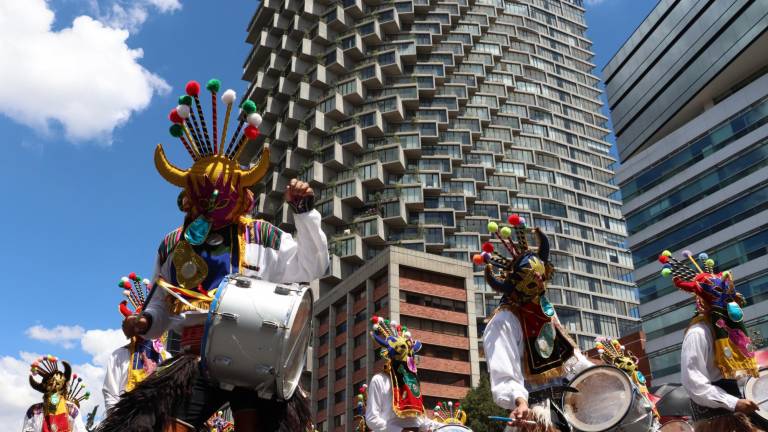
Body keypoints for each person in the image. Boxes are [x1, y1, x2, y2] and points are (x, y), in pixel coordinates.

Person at [98, 78, 329, 432]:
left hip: (257, 360)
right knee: (142, 425)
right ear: (191, 195)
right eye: (204, 195)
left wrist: (304, 213)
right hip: (193, 355)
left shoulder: (261, 235)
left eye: (221, 194)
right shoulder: (174, 243)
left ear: (238, 192)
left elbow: (312, 265)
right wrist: (145, 323)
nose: (213, 202)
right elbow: (162, 301)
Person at [477, 215, 592, 432]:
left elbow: (571, 361)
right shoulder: (503, 321)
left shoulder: (545, 312)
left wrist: (600, 376)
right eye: (532, 279)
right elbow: (504, 374)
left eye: (541, 276)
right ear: (518, 285)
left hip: (571, 409)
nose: (540, 283)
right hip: (534, 416)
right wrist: (519, 401)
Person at [660, 250, 765, 432]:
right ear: (703, 302)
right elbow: (694, 384)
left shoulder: (729, 332)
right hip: (716, 424)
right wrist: (733, 402)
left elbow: (741, 378)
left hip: (741, 416)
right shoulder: (698, 333)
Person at [102, 273, 170, 412]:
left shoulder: (167, 358)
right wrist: (119, 422)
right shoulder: (120, 355)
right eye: (141, 325)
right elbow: (111, 393)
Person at [365, 316, 438, 432]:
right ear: (390, 357)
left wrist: (439, 426)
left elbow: (421, 419)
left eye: (410, 356)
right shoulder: (379, 380)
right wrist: (399, 431)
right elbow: (371, 419)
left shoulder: (412, 380)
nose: (408, 360)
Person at [23, 355, 88, 432]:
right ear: (45, 387)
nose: (54, 387)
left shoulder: (71, 409)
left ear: (62, 387)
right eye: (50, 384)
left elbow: (80, 430)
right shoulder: (34, 410)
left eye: (57, 384)